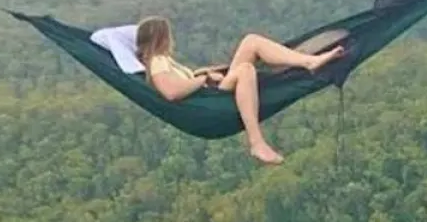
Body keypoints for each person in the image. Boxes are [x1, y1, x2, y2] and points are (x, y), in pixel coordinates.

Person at [136, 15, 346, 165]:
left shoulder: (161, 61)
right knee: (245, 69)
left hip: (210, 91)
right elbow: (171, 92)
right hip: (208, 103)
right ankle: (256, 142)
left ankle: (308, 61)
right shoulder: (157, 61)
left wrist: (203, 73)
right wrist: (203, 79)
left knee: (251, 42)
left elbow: (182, 81)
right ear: (160, 39)